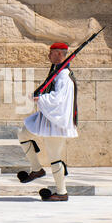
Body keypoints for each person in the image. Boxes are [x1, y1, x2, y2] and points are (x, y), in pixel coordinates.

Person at [17, 42, 78, 201]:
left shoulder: (64, 76)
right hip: (47, 119)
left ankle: (61, 192)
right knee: (23, 134)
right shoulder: (56, 72)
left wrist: (40, 98)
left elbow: (58, 100)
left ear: (59, 54)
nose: (48, 55)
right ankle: (37, 169)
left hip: (56, 123)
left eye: (51, 53)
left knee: (54, 157)